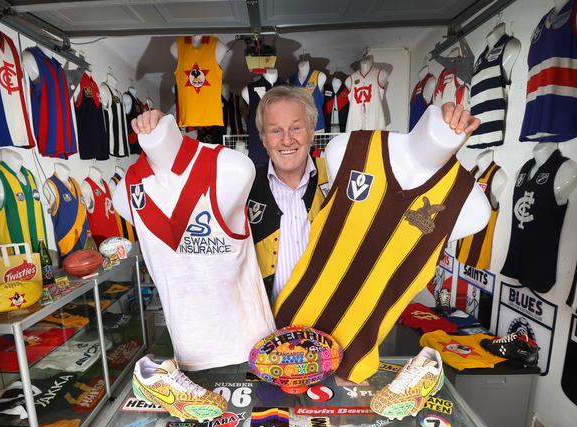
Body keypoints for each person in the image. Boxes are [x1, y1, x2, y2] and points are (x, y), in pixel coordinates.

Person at [131, 95, 480, 305]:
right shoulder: (237, 185)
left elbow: (411, 181)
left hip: (329, 332)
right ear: (263, 139)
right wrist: (162, 133)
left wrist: (444, 137)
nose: (287, 139)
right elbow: (180, 183)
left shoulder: (347, 177)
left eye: (296, 127)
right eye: (275, 130)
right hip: (261, 331)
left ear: (312, 131)